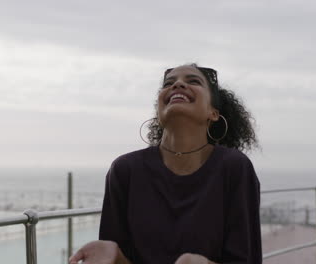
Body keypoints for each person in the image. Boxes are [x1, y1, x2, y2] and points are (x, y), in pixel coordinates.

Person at [69, 64, 262, 264]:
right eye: (168, 83)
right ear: (158, 112)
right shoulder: (125, 170)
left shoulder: (234, 167)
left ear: (213, 112)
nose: (177, 84)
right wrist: (116, 257)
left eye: (193, 81)